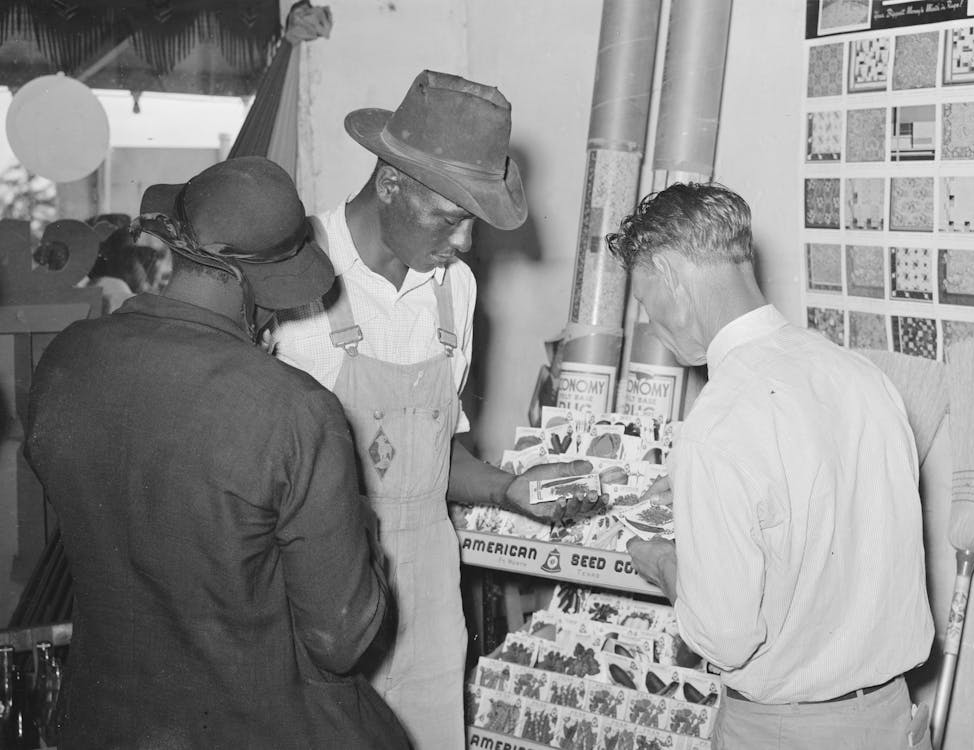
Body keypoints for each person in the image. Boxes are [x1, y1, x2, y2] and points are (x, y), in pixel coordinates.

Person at [24, 157, 409, 749]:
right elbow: (341, 642)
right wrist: (364, 533)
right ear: (262, 289)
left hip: (100, 723)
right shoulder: (295, 409)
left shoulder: (64, 360)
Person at [271, 69, 601, 748]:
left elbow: (434, 456)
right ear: (391, 183)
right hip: (319, 591)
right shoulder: (295, 276)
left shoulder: (455, 289)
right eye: (451, 219)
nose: (465, 244)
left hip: (428, 587)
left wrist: (509, 490)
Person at [607, 183, 934, 749]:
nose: (649, 324)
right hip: (890, 716)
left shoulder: (716, 423)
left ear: (670, 275)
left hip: (787, 730)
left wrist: (660, 561)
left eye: (643, 299)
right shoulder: (862, 377)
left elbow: (725, 637)